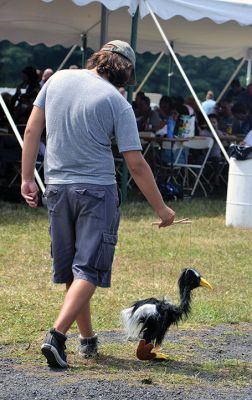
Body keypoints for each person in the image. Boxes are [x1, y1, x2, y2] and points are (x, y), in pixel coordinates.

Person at [21, 40, 175, 369]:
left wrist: (26, 178)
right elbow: (136, 164)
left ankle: (87, 340)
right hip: (97, 192)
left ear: (98, 59)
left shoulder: (57, 80)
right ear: (125, 72)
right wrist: (162, 209)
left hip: (58, 189)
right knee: (89, 269)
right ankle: (57, 336)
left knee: (73, 269)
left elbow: (33, 129)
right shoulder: (116, 102)